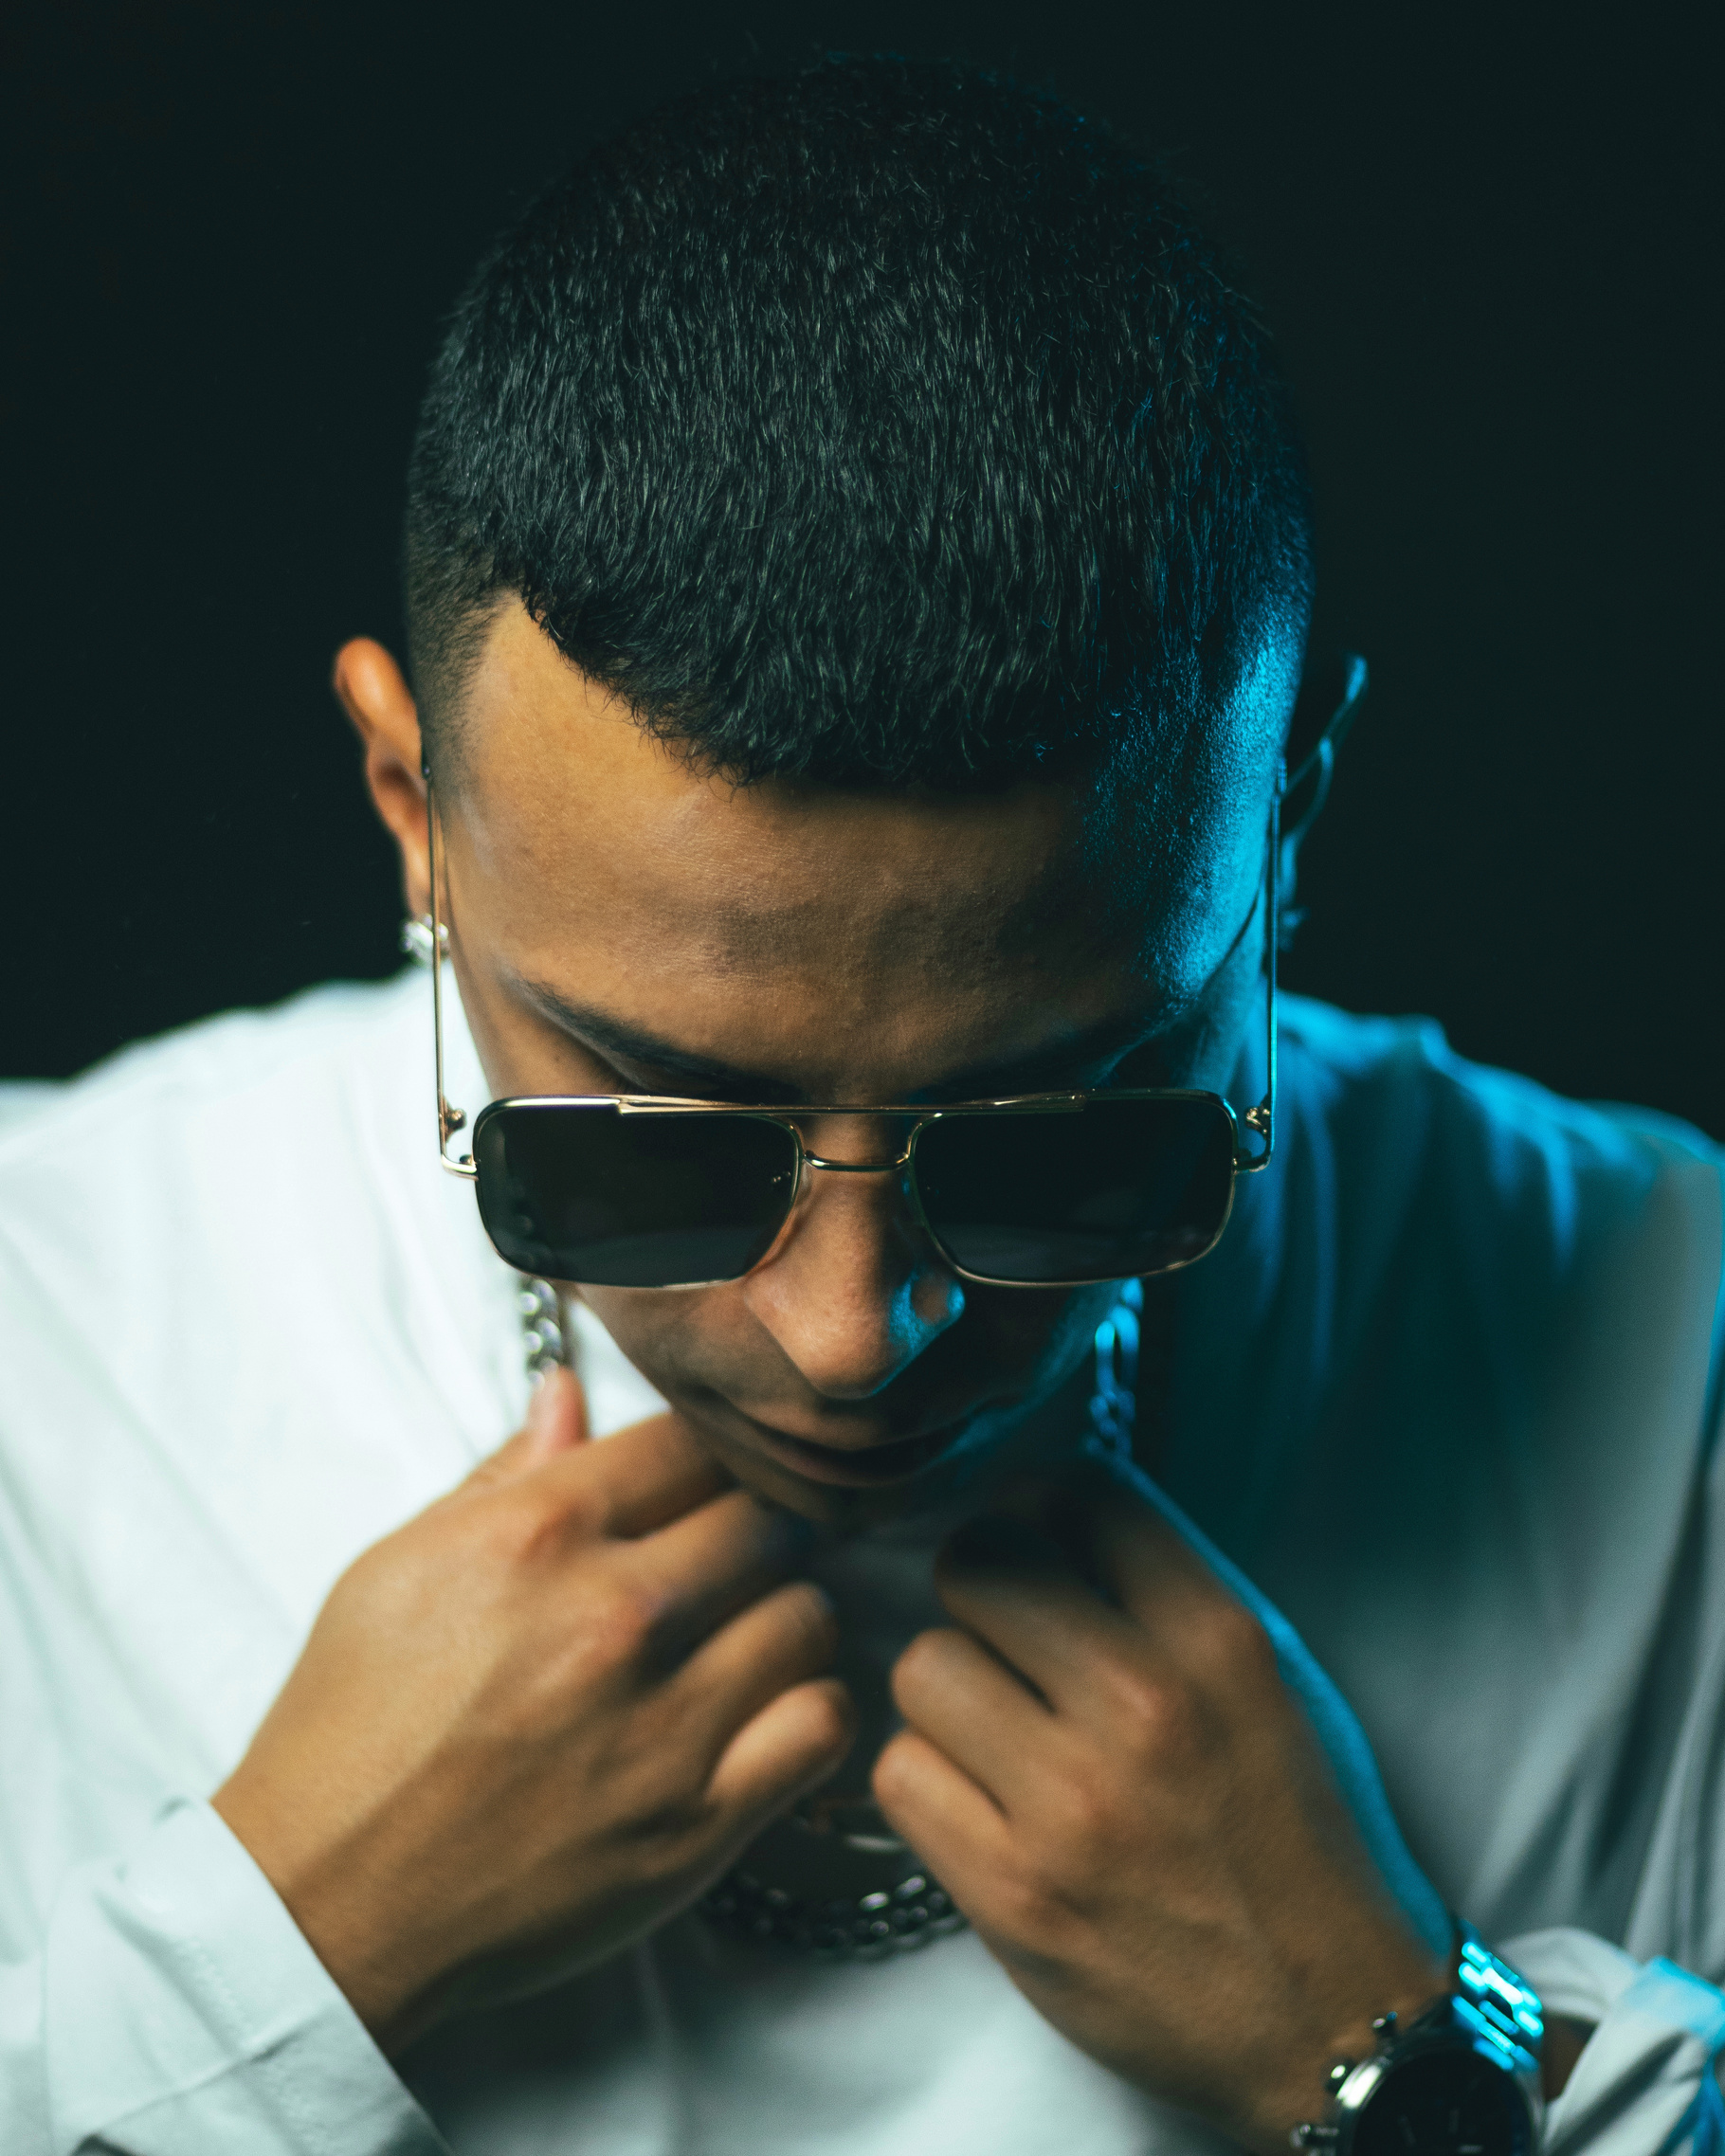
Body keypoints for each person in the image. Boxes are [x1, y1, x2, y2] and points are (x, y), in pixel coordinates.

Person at [1, 52, 1721, 2156]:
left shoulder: (1684, 1371)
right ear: (412, 813)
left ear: (1281, 839)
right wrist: (255, 1988)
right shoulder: (39, 1348)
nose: (851, 1334)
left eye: (1062, 1121)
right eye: (659, 1121)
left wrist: (1397, 2072)